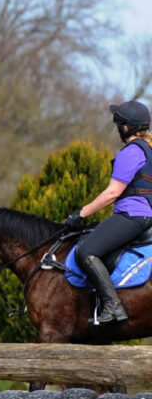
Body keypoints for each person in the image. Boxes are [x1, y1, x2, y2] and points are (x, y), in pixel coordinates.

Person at [65, 100, 152, 324]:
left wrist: (80, 213)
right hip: (146, 216)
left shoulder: (131, 152)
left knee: (85, 250)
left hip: (132, 216)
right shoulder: (149, 151)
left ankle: (113, 305)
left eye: (118, 125)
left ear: (125, 128)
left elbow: (112, 193)